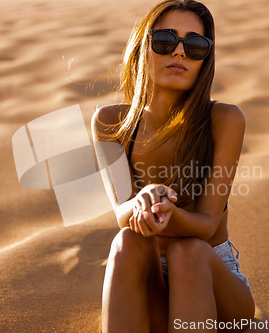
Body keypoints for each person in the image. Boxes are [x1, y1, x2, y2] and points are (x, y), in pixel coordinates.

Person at [91, 0, 254, 331]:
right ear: (143, 47)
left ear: (204, 60)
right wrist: (141, 200)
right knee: (126, 241)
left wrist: (169, 212)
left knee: (188, 252)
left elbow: (207, 225)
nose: (179, 52)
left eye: (195, 46)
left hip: (212, 282)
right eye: (166, 40)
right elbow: (122, 214)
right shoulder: (111, 121)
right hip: (149, 284)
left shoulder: (223, 119)